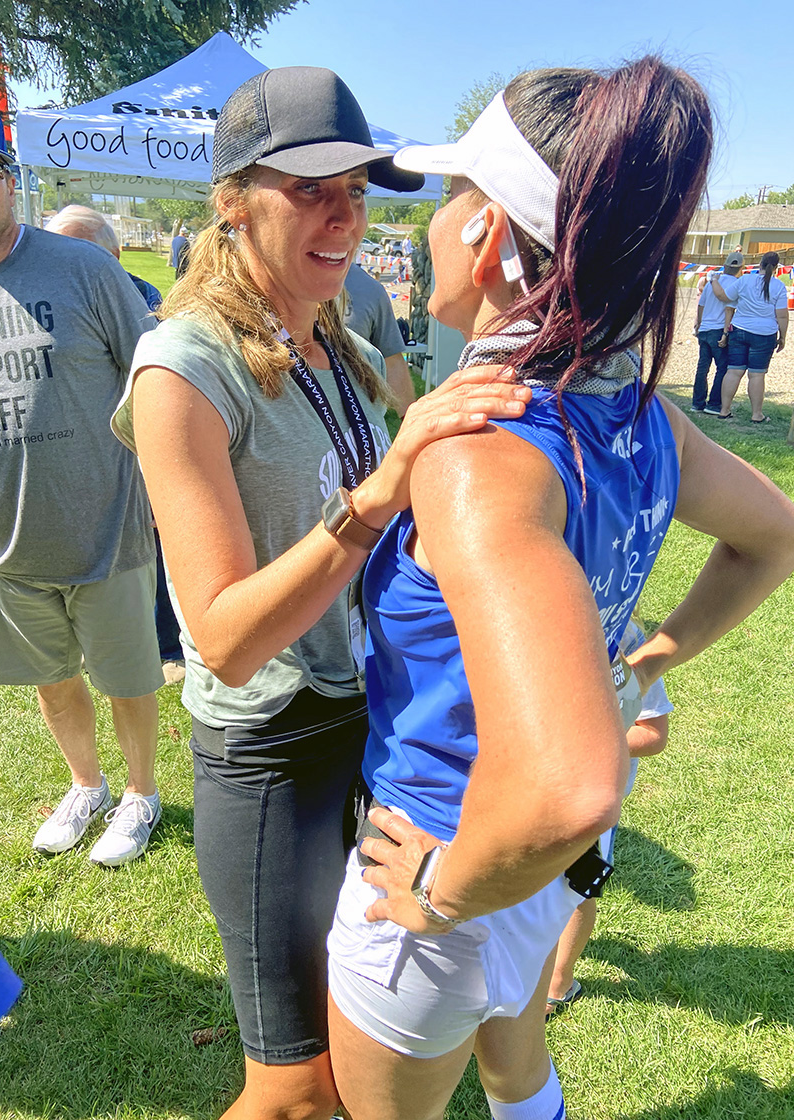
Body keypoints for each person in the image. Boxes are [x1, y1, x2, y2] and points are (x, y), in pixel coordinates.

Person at [324, 59, 794, 1120]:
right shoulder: (637, 417)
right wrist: (645, 661)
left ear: (486, 233)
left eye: (447, 202)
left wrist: (435, 894)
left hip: (445, 861)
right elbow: (772, 536)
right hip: (534, 875)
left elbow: (570, 780)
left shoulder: (477, 452)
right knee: (514, 1062)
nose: (428, 228)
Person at [111, 66, 532, 1120]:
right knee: (293, 1088)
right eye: (311, 189)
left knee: (358, 1062)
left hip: (365, 728)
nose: (346, 214)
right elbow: (222, 637)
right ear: (230, 199)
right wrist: (380, 491)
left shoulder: (332, 335)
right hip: (269, 753)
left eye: (357, 187)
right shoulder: (181, 369)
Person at [0, 116, 163, 868]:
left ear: (8, 182)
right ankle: (85, 784)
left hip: (106, 524)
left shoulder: (83, 269)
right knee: (52, 678)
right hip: (9, 539)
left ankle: (140, 794)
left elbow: (153, 377)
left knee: (128, 678)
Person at [45, 205, 184, 682]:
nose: (74, 266)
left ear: (114, 254)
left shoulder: (145, 304)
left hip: (129, 460)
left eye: (86, 252)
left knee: (153, 550)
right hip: (68, 467)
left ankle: (167, 647)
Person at [545, 618, 672, 1017]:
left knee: (577, 886)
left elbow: (653, 733)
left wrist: (576, 749)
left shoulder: (626, 637)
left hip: (588, 798)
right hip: (525, 790)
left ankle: (558, 984)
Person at [711, 251, 788, 422]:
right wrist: (783, 337)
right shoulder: (778, 286)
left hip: (739, 329)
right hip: (765, 333)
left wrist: (714, 280)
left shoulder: (745, 280)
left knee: (734, 370)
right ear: (776, 267)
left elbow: (723, 296)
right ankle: (756, 414)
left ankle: (724, 410)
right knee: (756, 374)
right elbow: (782, 315)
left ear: (759, 263)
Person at [46, 205, 164, 312]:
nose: (65, 268)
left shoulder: (144, 295)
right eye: (54, 257)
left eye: (80, 257)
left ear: (114, 256)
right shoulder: (41, 296)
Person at [343, 262, 415, 414]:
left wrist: (409, 420)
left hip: (357, 420)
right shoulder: (282, 284)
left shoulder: (370, 289)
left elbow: (392, 361)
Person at [691, 252, 742, 413]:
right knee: (722, 367)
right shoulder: (736, 285)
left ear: (724, 266)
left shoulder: (710, 283)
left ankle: (697, 403)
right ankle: (714, 403)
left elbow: (701, 305)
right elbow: (730, 309)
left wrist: (699, 324)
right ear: (741, 268)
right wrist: (726, 333)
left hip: (705, 328)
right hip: (719, 328)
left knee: (702, 367)